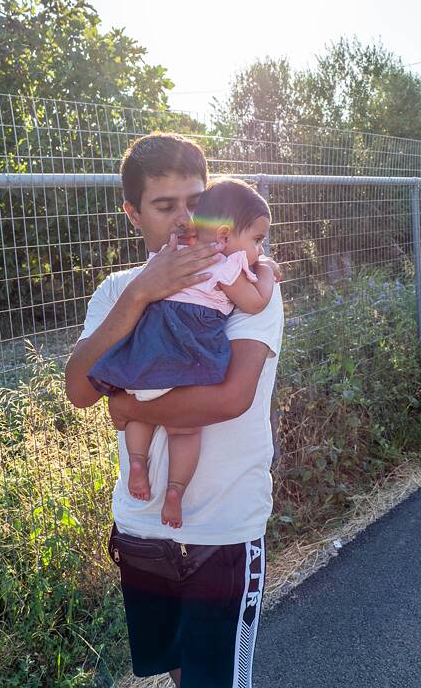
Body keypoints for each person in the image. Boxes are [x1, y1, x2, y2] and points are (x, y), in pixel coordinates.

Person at [65, 132, 284, 688]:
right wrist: (142, 292)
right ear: (133, 213)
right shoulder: (116, 291)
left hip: (225, 529)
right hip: (143, 528)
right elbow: (78, 388)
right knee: (179, 675)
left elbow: (231, 399)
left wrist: (130, 402)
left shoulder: (242, 283)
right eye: (165, 206)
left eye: (197, 202)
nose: (187, 219)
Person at [86, 177, 277, 529]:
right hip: (191, 354)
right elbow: (255, 301)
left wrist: (125, 405)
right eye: (257, 241)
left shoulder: (168, 258)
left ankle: (137, 463)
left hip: (151, 350)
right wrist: (265, 271)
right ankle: (175, 490)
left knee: (139, 411)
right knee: (186, 430)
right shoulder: (231, 265)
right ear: (222, 236)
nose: (259, 251)